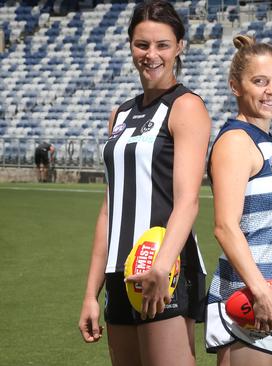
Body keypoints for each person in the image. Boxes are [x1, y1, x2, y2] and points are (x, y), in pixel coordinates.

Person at [77, 1, 211, 365]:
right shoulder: (119, 114)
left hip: (165, 269)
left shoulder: (186, 107)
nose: (151, 55)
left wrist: (161, 266)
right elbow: (110, 208)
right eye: (142, 44)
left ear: (179, 46)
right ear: (131, 45)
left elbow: (188, 201)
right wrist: (92, 292)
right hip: (120, 272)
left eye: (162, 45)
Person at [205, 34, 272, 366]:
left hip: (267, 297)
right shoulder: (236, 141)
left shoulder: (266, 142)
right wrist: (262, 294)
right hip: (244, 299)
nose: (271, 91)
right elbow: (225, 228)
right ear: (236, 86)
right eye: (259, 81)